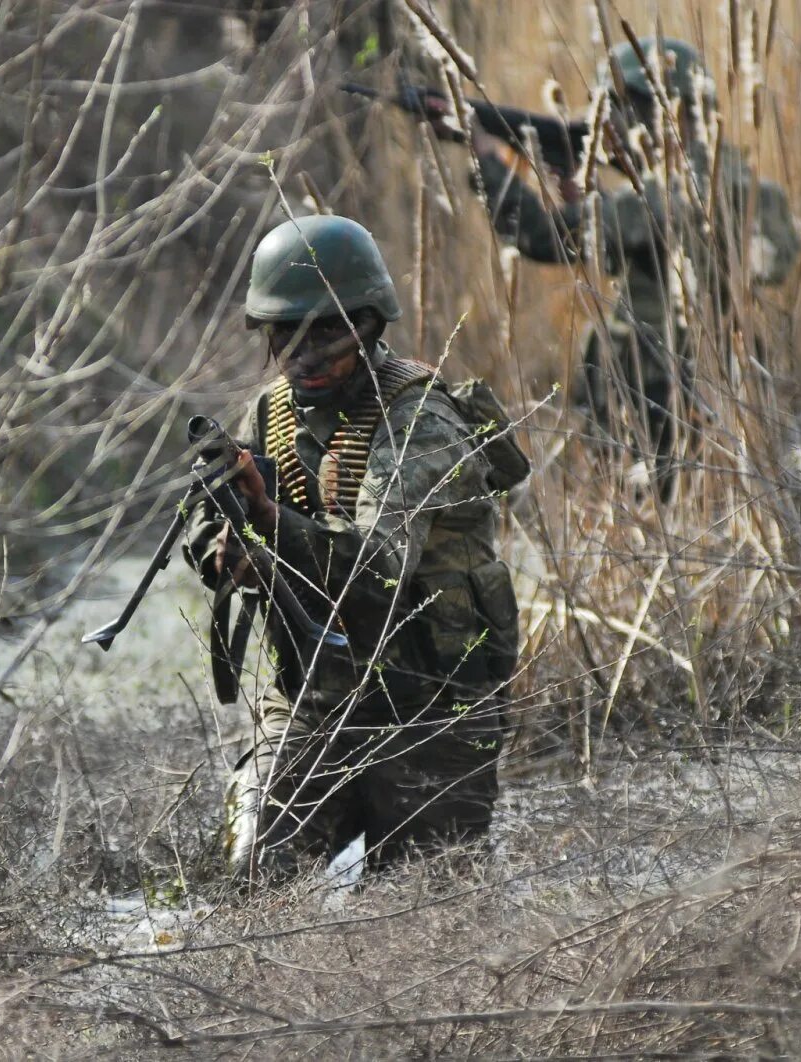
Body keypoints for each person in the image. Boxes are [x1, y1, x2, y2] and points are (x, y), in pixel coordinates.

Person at [183, 214, 522, 883]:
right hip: (316, 693)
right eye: (288, 334)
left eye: (328, 332)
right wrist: (224, 549)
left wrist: (271, 521)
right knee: (254, 869)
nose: (306, 354)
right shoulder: (269, 414)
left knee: (426, 907)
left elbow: (378, 569)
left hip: (434, 704)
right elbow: (205, 521)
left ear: (370, 324)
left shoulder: (421, 423)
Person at [472, 37, 801, 494]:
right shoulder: (749, 190)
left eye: (626, 113)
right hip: (725, 390)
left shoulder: (664, 198)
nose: (614, 128)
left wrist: (485, 157)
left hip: (654, 397)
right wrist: (580, 195)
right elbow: (658, 248)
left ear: (672, 114)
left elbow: (539, 237)